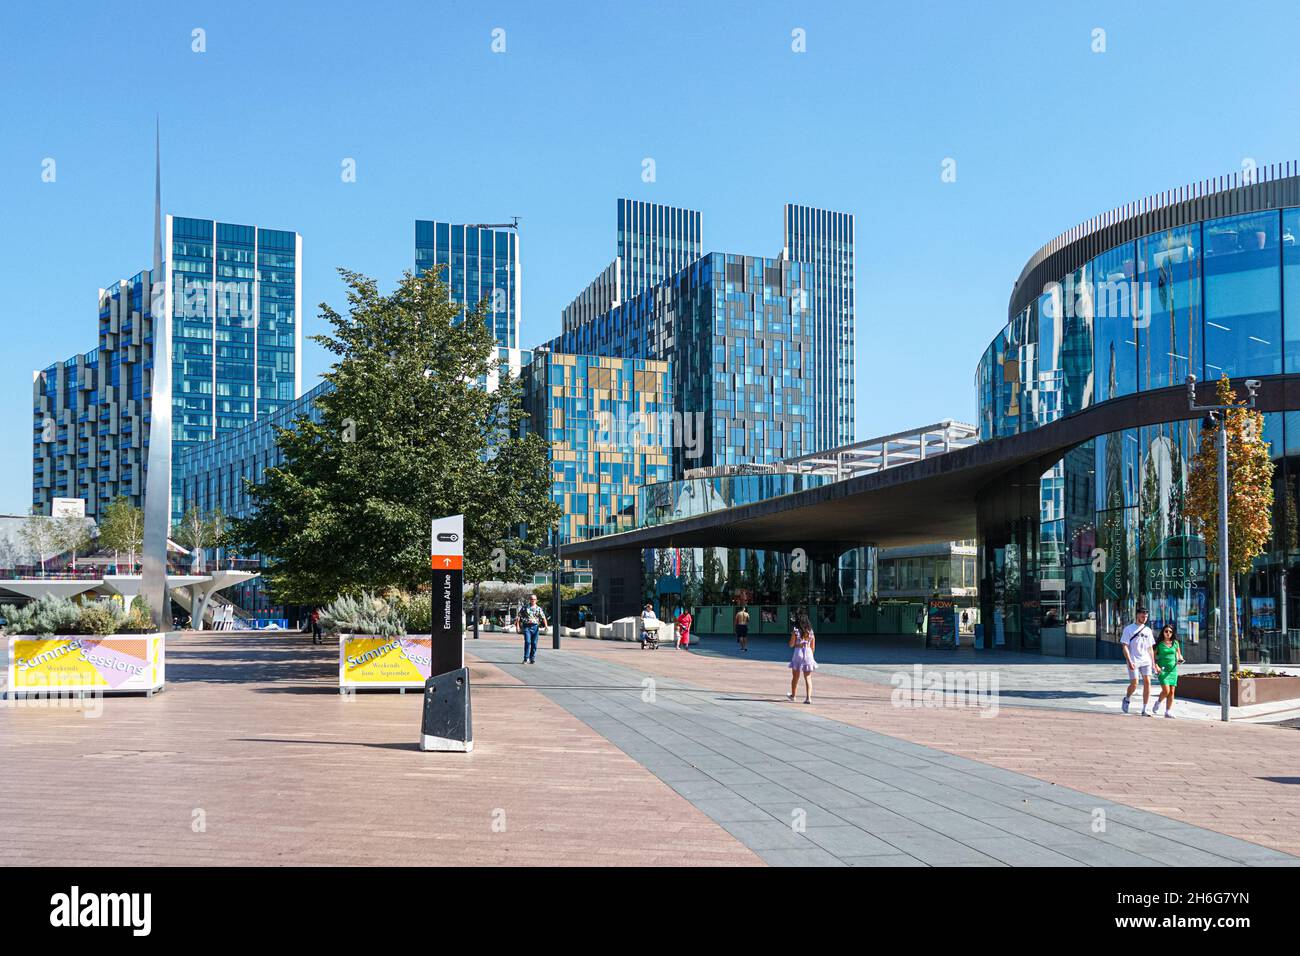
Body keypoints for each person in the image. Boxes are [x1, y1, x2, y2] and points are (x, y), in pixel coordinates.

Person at [1121, 606, 1157, 716]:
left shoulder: (1148, 630)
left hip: (1146, 660)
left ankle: (1145, 709)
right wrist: (1129, 660)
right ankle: (1127, 698)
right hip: (1134, 660)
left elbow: (1150, 648)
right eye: (1142, 616)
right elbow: (1125, 646)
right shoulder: (1129, 629)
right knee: (1135, 683)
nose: (1144, 618)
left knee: (1147, 682)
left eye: (1146, 616)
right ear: (1137, 615)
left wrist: (1153, 663)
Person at [1152, 623, 1185, 718]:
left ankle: (1168, 711)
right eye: (1166, 631)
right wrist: (1156, 666)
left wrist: (1180, 659)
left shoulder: (1175, 643)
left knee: (1172, 692)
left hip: (1173, 670)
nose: (1168, 633)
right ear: (1163, 632)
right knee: (1166, 690)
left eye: (1170, 631)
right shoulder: (1159, 644)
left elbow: (1179, 655)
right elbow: (1153, 657)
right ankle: (1158, 702)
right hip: (1163, 670)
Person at [787, 611, 817, 704]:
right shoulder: (810, 631)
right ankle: (808, 698)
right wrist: (811, 656)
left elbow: (791, 644)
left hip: (798, 652)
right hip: (808, 652)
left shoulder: (796, 631)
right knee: (808, 677)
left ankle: (793, 696)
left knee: (795, 677)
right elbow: (813, 646)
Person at [516, 593, 548, 664]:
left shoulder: (538, 609)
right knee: (527, 642)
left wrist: (546, 626)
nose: (532, 600)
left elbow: (543, 617)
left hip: (535, 627)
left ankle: (532, 658)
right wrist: (517, 626)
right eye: (531, 599)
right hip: (527, 626)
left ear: (536, 600)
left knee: (534, 643)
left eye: (534, 599)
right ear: (529, 600)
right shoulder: (525, 607)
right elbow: (518, 617)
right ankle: (526, 658)